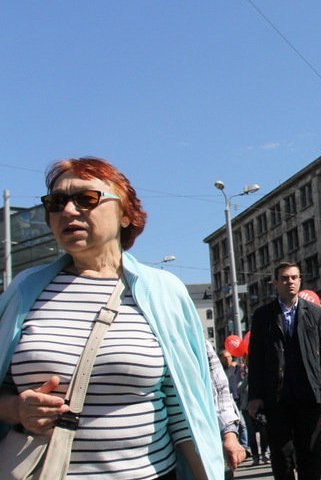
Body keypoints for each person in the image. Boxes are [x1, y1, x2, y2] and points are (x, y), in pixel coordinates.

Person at [0, 157, 221, 479]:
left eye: (86, 199)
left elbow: (182, 405)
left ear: (126, 213)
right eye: (57, 201)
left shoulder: (163, 291)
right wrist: (16, 409)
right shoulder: (24, 290)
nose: (68, 210)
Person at [247, 262, 321, 480]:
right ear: (275, 283)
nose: (290, 282)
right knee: (282, 453)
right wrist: (255, 396)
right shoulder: (263, 316)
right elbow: (256, 358)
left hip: (309, 392)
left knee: (311, 450)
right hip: (276, 395)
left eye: (294, 277)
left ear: (300, 281)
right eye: (285, 278)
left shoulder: (315, 313)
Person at [208, 344, 247, 477]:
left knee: (242, 425)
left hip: (230, 406)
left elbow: (220, 388)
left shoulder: (234, 368)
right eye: (225, 357)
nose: (228, 359)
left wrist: (229, 434)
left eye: (229, 357)